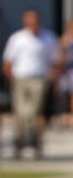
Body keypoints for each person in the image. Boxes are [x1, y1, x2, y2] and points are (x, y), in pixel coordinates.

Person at [3, 9, 58, 157]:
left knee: (36, 112)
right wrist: (10, 79)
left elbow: (55, 61)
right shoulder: (17, 38)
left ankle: (36, 141)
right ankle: (19, 141)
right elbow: (8, 61)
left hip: (39, 78)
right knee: (20, 112)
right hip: (21, 78)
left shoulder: (47, 38)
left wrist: (53, 80)